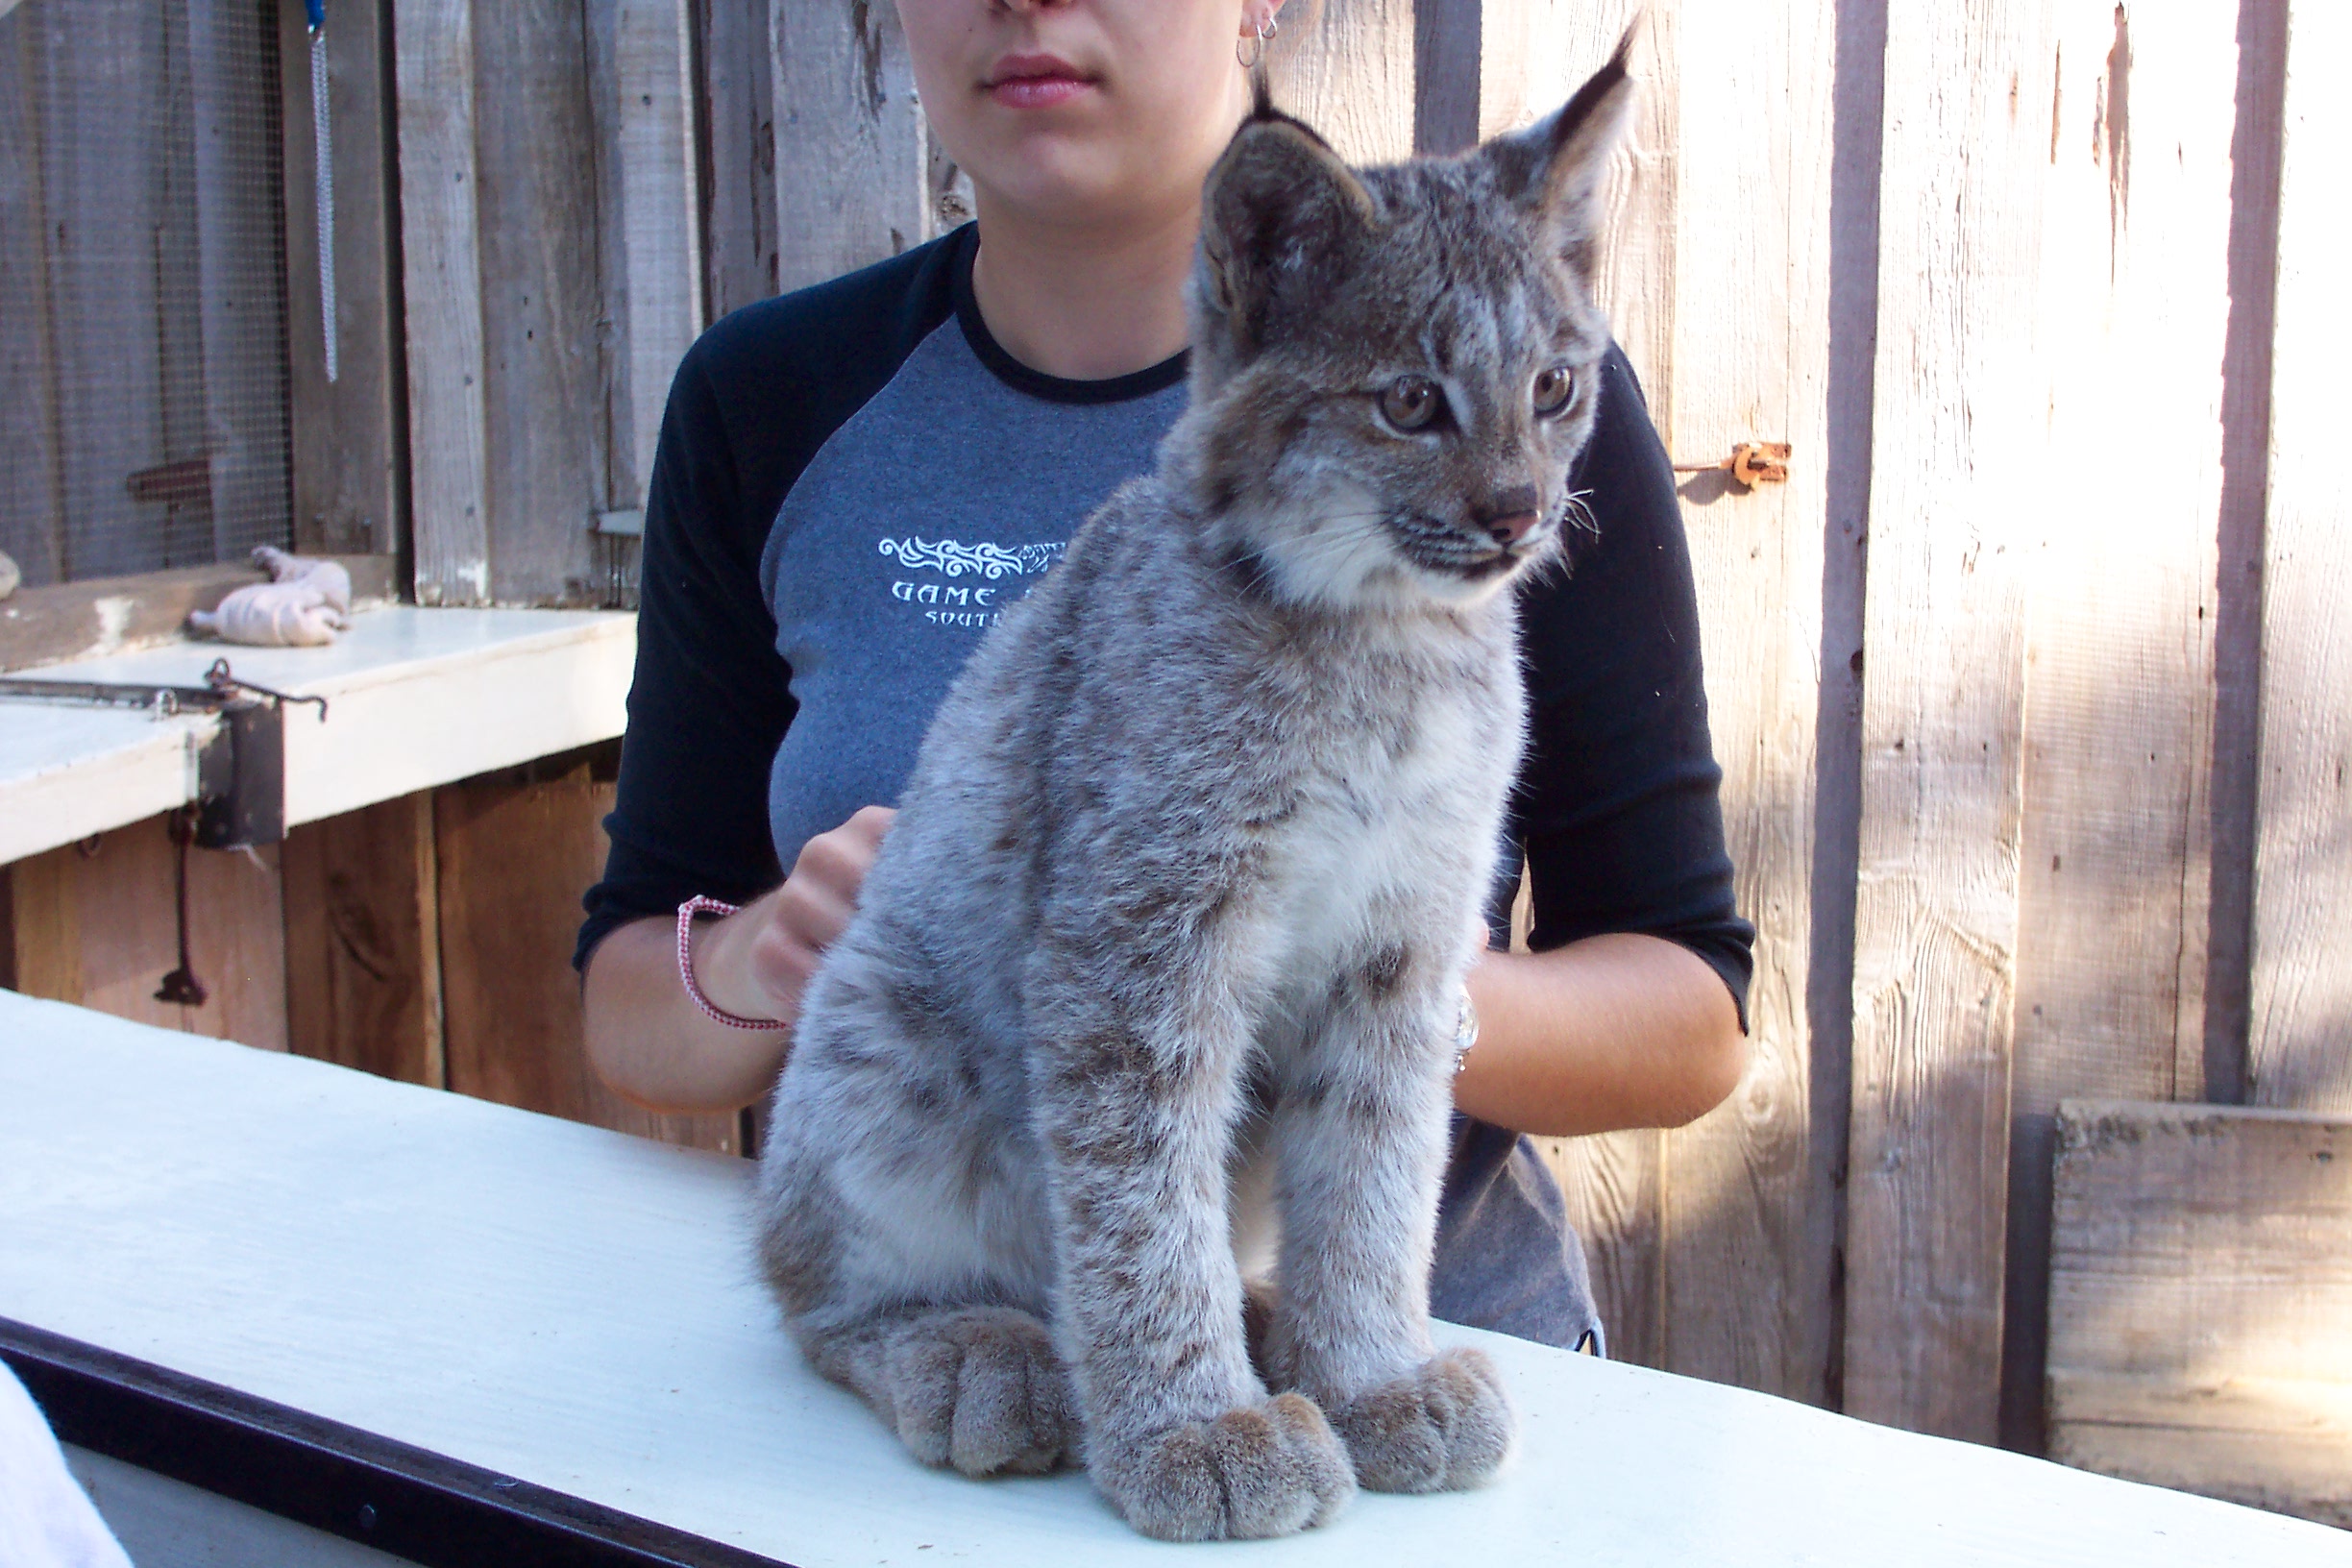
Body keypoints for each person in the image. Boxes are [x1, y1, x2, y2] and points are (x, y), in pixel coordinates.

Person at [575, 0, 1752, 1356]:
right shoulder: (770, 395)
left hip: (1429, 1340)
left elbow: (1692, 1019)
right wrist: (776, 953)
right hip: (949, 1321)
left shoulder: (1516, 409)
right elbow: (626, 1005)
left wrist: (1372, 987)